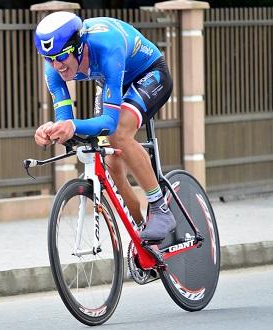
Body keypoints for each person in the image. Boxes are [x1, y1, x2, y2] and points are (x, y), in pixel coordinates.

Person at [33, 12, 176, 242]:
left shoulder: (107, 46)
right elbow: (66, 121)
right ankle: (143, 235)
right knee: (110, 160)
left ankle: (160, 208)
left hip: (149, 73)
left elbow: (109, 123)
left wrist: (71, 125)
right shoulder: (53, 67)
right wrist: (52, 132)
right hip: (110, 80)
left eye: (61, 56)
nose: (56, 65)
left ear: (79, 48)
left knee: (118, 134)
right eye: (48, 58)